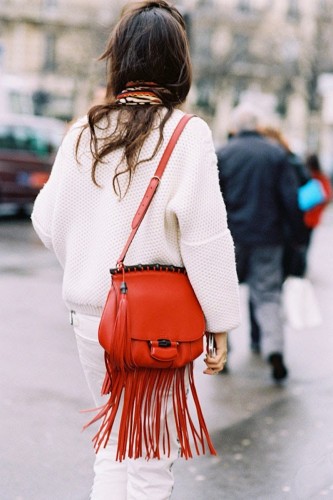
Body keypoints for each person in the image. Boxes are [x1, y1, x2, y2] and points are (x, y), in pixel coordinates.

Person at [31, 2, 241, 499]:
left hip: (92, 317)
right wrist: (220, 323)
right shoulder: (187, 135)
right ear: (178, 63)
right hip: (156, 326)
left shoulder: (84, 129)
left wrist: (89, 255)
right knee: (150, 458)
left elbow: (45, 220)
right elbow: (205, 237)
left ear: (119, 59)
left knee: (113, 447)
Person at [217, 103, 305, 382]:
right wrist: (298, 237)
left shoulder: (224, 154)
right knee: (268, 296)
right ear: (257, 126)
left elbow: (213, 201)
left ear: (235, 127)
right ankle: (274, 350)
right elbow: (291, 201)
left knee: (222, 296)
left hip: (231, 238)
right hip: (269, 238)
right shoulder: (276, 155)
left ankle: (222, 353)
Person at [304, 153, 332, 231]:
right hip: (314, 214)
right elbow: (328, 195)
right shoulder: (321, 177)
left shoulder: (307, 176)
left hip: (306, 215)